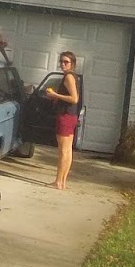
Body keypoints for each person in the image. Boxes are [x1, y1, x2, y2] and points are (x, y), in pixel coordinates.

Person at [45, 50, 81, 190]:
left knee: (63, 152)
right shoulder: (73, 76)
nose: (63, 64)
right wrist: (56, 97)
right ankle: (63, 182)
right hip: (71, 116)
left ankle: (58, 182)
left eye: (66, 62)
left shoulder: (69, 77)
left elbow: (74, 99)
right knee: (68, 151)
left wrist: (55, 95)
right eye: (61, 61)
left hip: (65, 116)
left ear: (72, 64)